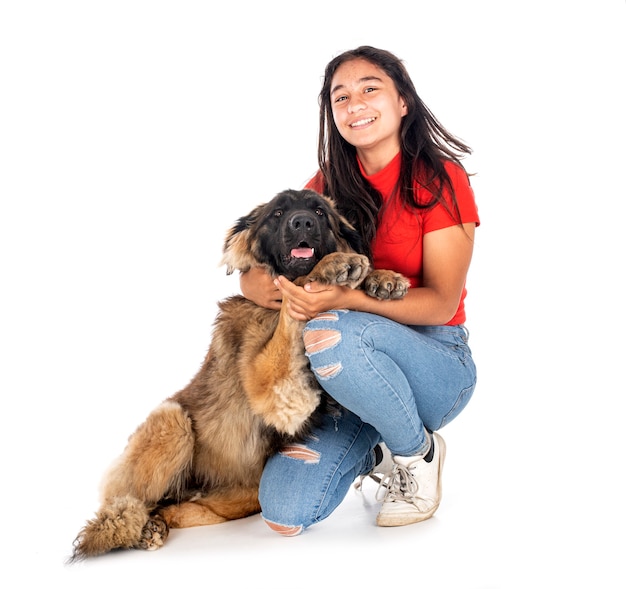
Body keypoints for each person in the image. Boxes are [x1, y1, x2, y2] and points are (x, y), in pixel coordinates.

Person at [240, 45, 480, 533]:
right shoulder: (328, 184)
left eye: (370, 89)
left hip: (433, 361)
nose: (355, 105)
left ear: (403, 101)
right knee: (284, 512)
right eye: (341, 97)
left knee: (334, 331)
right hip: (342, 380)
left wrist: (345, 299)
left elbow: (442, 303)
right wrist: (253, 282)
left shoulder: (440, 180)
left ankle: (418, 452)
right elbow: (268, 256)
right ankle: (375, 443)